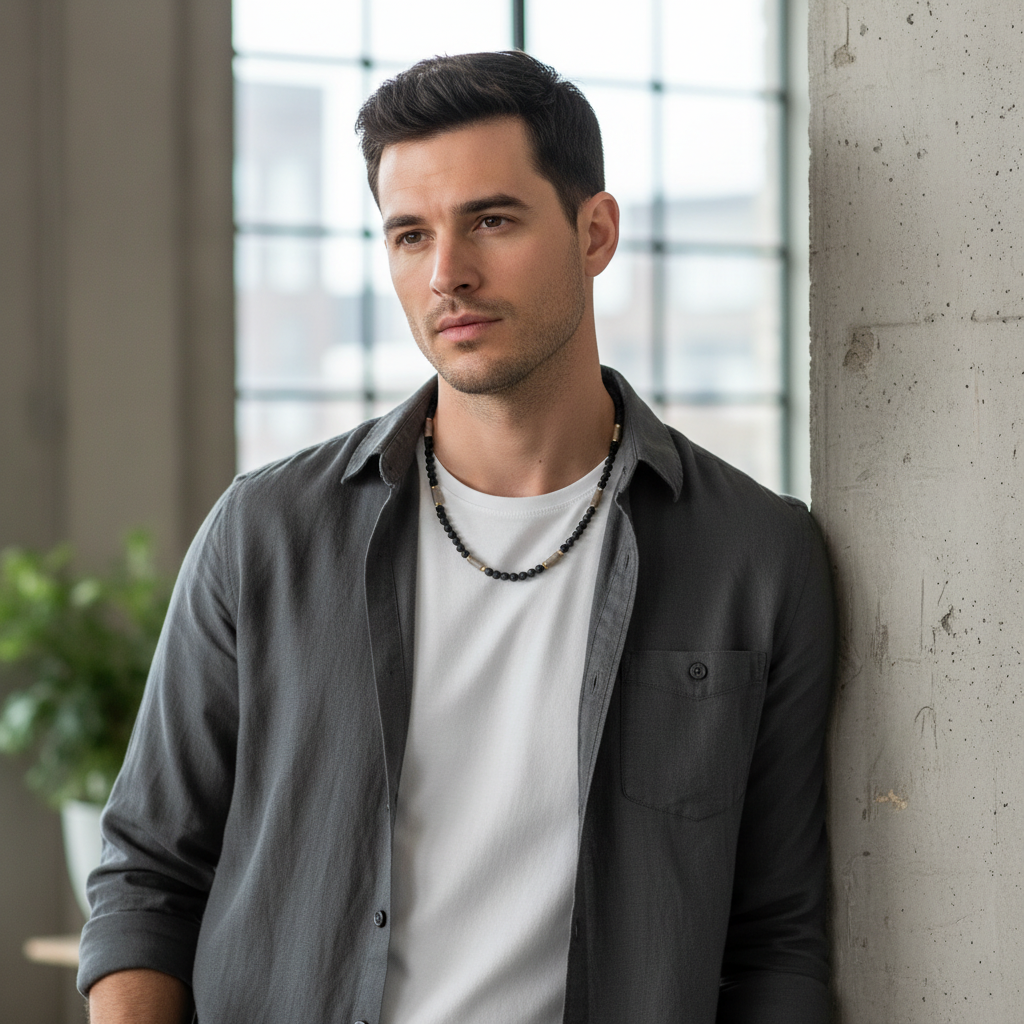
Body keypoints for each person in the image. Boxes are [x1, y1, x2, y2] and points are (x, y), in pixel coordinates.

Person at [81, 50, 834, 1024]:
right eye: (409, 234)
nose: (448, 274)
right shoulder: (265, 534)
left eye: (491, 219)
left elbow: (775, 936)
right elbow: (146, 878)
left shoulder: (757, 556)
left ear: (594, 231)